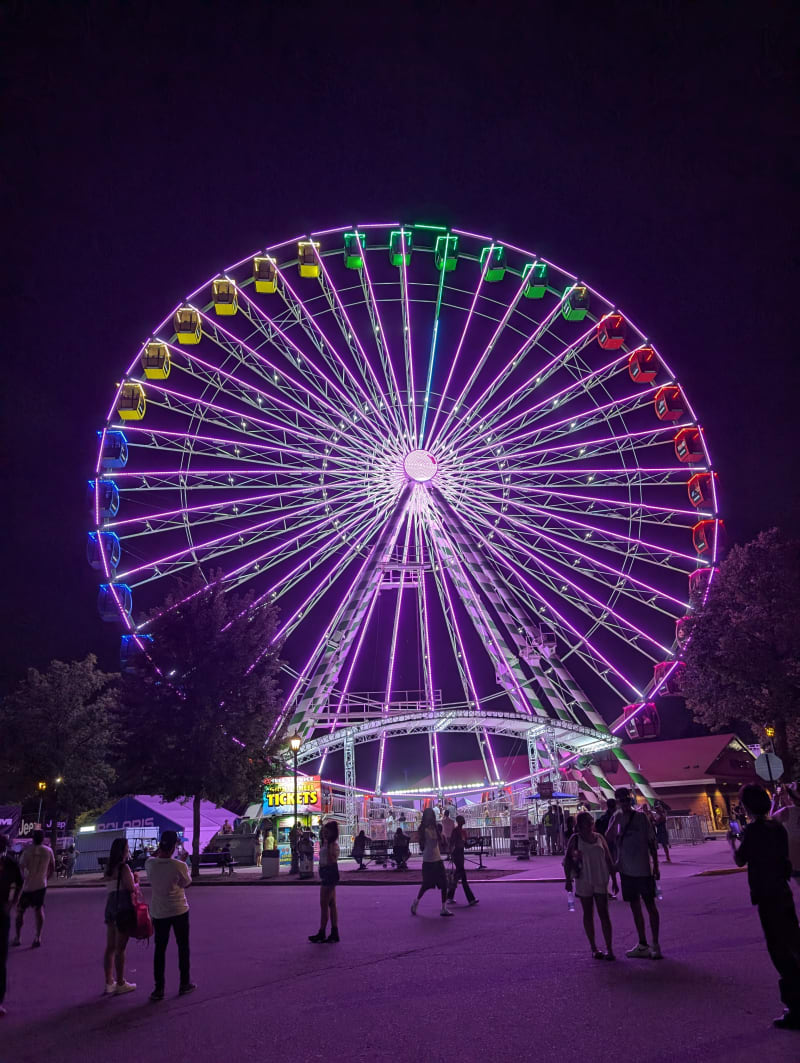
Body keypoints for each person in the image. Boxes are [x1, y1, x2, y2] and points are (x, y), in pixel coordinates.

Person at [732, 783, 800, 1030]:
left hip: (766, 894)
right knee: (793, 944)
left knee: (780, 951)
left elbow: (740, 860)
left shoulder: (753, 831)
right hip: (782, 890)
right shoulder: (777, 827)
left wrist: (733, 842)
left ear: (747, 806)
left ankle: (795, 1008)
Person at [606, 787, 662, 959]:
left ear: (630, 799)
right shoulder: (617, 817)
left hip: (643, 868)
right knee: (635, 907)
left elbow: (651, 842)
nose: (623, 803)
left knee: (650, 906)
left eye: (625, 799)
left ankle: (655, 944)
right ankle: (643, 943)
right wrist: (615, 821)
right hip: (626, 869)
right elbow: (608, 838)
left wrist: (656, 866)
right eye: (620, 800)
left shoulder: (641, 818)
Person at [146, 830, 195, 1001]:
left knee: (160, 949)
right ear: (174, 846)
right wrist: (181, 861)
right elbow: (186, 883)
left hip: (159, 912)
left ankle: (159, 988)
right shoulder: (179, 865)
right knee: (183, 947)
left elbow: (154, 858)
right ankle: (184, 983)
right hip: (179, 909)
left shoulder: (150, 864)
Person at [564, 811, 618, 960]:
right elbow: (567, 860)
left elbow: (608, 858)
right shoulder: (575, 839)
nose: (590, 824)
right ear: (580, 824)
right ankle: (594, 948)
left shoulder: (599, 837)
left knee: (604, 913)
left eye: (591, 821)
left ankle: (609, 948)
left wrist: (614, 878)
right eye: (587, 822)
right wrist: (568, 880)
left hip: (601, 878)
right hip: (583, 879)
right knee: (588, 913)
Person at [102, 838, 137, 995]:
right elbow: (130, 887)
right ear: (123, 850)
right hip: (123, 906)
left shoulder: (109, 868)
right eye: (127, 847)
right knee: (120, 948)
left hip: (111, 905)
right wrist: (136, 881)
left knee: (110, 947)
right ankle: (121, 982)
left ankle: (109, 982)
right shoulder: (124, 867)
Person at [12, 829, 55, 948]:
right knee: (39, 910)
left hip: (28, 886)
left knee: (20, 910)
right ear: (43, 839)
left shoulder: (27, 851)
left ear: (33, 839)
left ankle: (18, 937)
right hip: (41, 885)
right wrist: (46, 878)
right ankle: (37, 937)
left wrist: (24, 877)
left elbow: (21, 867)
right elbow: (52, 867)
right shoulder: (48, 851)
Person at [411, 808, 452, 917]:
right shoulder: (423, 830)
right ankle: (416, 902)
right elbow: (428, 841)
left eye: (431, 816)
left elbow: (440, 841)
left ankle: (444, 908)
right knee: (426, 885)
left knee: (444, 883)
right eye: (429, 816)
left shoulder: (436, 828)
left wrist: (441, 836)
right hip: (428, 861)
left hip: (437, 859)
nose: (430, 818)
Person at [0, 835, 23, 1017]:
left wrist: (12, 902)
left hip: (1, 914)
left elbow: (20, 882)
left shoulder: (9, 863)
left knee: (1, 959)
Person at [309, 821, 340, 943]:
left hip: (329, 874)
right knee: (331, 904)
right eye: (324, 831)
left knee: (324, 904)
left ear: (332, 832)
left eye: (327, 831)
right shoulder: (327, 843)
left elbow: (332, 860)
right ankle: (334, 932)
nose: (325, 833)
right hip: (328, 873)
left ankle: (322, 932)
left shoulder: (332, 845)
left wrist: (328, 849)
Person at [772, 785, 800, 895]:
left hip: (796, 862)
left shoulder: (786, 811)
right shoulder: (790, 810)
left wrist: (774, 802)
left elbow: (771, 820)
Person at [446, 815, 478, 908]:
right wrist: (451, 854)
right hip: (457, 854)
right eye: (462, 819)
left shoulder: (463, 832)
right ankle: (471, 899)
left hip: (461, 854)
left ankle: (449, 896)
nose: (463, 820)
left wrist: (475, 842)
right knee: (463, 878)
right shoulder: (456, 831)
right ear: (459, 821)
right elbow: (451, 843)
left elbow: (466, 845)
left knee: (456, 877)